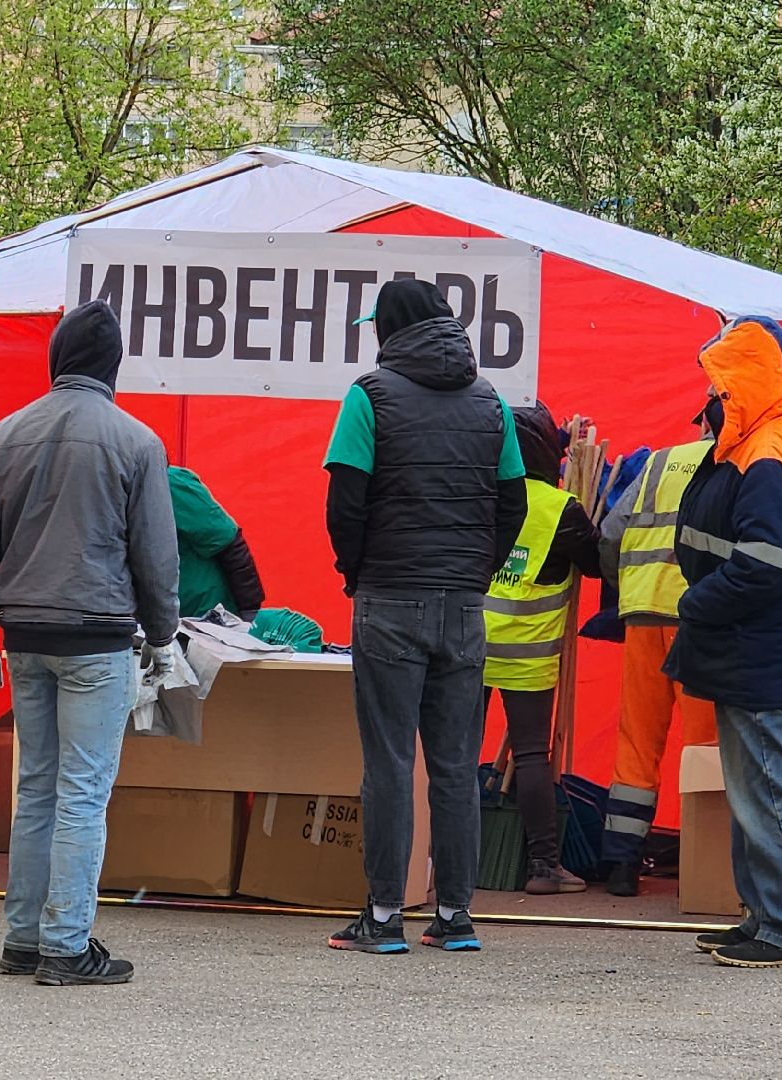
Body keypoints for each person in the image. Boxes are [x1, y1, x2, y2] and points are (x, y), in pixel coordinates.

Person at [0, 300, 179, 987]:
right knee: (83, 794)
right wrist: (164, 636)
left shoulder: (3, 436)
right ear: (112, 367)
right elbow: (155, 556)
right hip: (98, 638)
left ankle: (23, 939)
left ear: (56, 361)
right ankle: (65, 946)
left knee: (38, 790)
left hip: (23, 637)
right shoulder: (137, 442)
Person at [322, 278, 527, 954]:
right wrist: (475, 571)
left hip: (389, 598)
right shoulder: (491, 404)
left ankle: (383, 918)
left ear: (393, 327)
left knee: (387, 764)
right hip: (464, 607)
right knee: (454, 764)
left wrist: (357, 571)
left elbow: (345, 500)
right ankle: (457, 917)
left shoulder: (369, 396)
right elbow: (514, 504)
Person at [671, 317, 782, 970]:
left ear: (740, 383)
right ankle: (767, 918)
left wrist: (694, 602)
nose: (709, 398)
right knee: (757, 789)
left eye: (717, 384)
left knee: (767, 791)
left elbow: (765, 565)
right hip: (771, 650)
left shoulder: (769, 451)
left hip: (760, 651)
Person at [596, 425, 718, 897]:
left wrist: (625, 587)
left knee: (638, 737)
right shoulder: (740, 463)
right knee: (705, 745)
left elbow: (610, 535)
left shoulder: (659, 462)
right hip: (699, 617)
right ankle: (706, 862)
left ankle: (622, 865)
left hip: (644, 612)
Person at [482, 403, 599, 896]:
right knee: (532, 756)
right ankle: (543, 866)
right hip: (527, 655)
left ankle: (439, 857)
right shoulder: (561, 509)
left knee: (451, 753)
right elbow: (596, 564)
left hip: (468, 644)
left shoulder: (482, 496)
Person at [168, 466, 264, 620]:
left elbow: (228, 542)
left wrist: (250, 610)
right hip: (157, 618)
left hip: (205, 618)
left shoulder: (170, 483)